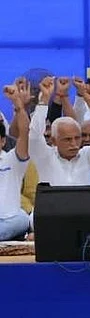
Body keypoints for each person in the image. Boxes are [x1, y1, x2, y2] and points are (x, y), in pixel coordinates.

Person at [0, 83, 32, 240]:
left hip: (9, 221)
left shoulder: (12, 159)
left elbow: (24, 133)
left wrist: (18, 105)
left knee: (22, 219)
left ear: (2, 141)